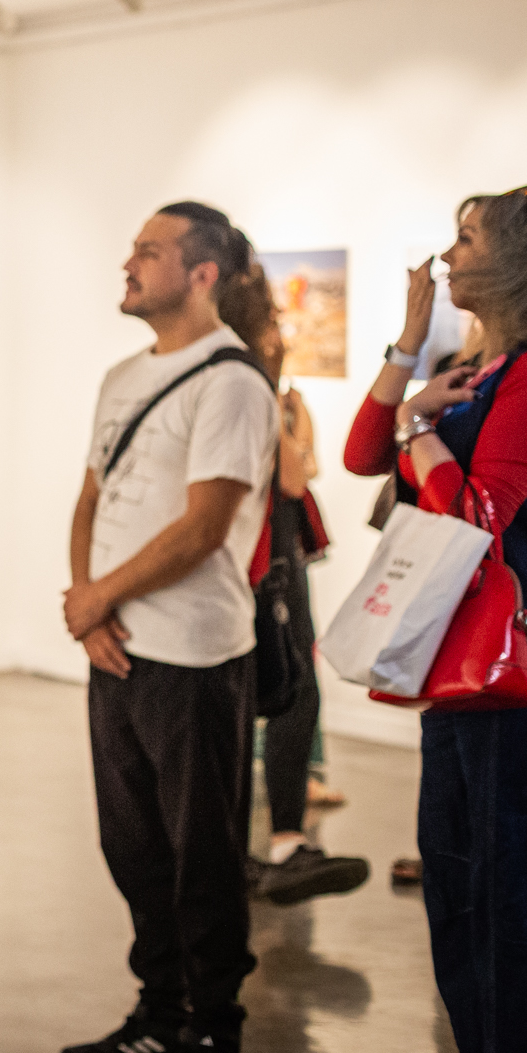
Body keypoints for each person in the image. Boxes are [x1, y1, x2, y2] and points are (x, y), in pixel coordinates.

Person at [340, 187, 527, 1053]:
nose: (446, 253)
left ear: (517, 259)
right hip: (459, 666)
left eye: (465, 238)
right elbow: (363, 454)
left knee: (516, 892)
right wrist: (406, 348)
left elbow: (477, 514)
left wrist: (420, 428)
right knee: (459, 883)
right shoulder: (474, 364)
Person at [58, 203, 276, 1053]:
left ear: (202, 273)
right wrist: (88, 606)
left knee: (203, 853)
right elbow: (91, 501)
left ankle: (214, 1036)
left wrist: (102, 596)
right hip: (116, 652)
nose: (129, 262)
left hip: (194, 655)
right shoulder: (121, 376)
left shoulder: (232, 383)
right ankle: (159, 1012)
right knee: (134, 845)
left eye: (149, 251)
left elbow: (204, 526)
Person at [215, 265, 369, 906]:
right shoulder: (249, 389)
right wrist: (291, 427)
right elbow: (296, 477)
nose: (283, 333)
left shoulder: (235, 387)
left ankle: (260, 849)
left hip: (264, 567)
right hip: (265, 573)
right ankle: (277, 846)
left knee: (269, 699)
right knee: (287, 696)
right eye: (275, 322)